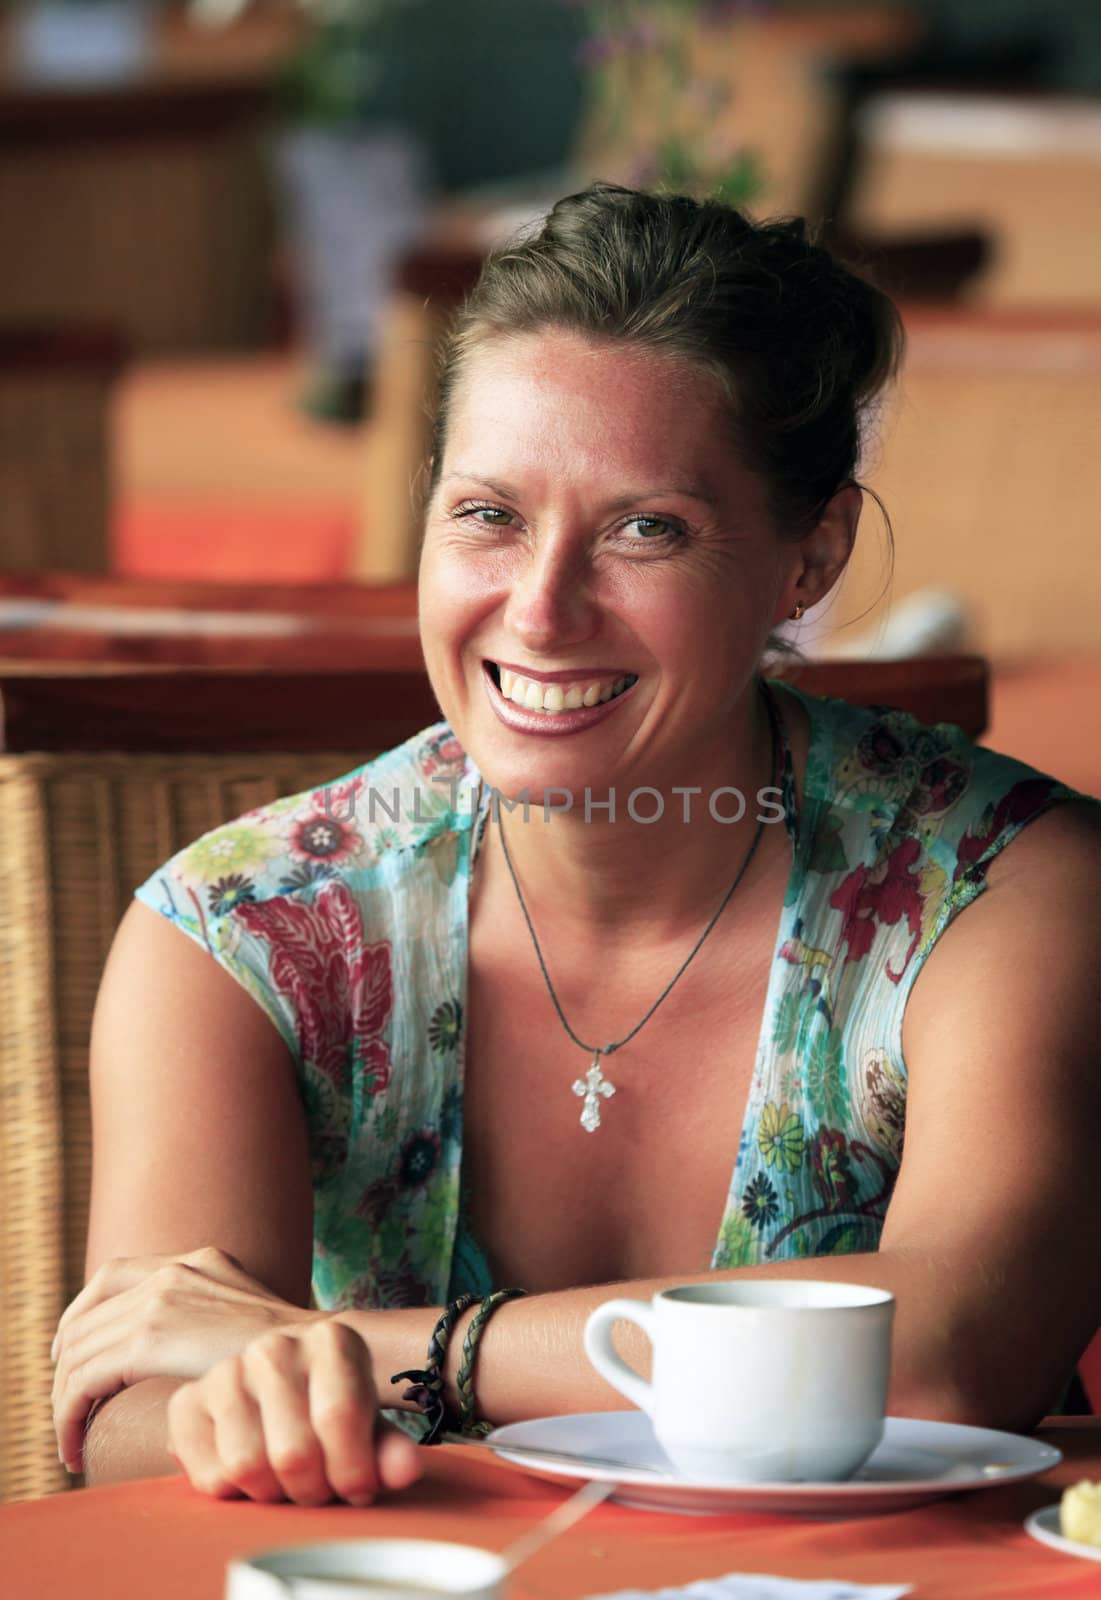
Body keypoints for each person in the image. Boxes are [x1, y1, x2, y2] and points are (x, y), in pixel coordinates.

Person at [51, 183, 1101, 1506]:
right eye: (489, 514)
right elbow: (134, 1405)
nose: (539, 611)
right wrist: (229, 1400)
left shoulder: (1003, 887)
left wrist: (373, 1356)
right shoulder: (247, 928)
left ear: (808, 557)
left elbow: (947, 1348)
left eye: (643, 528)